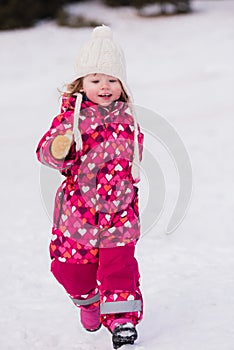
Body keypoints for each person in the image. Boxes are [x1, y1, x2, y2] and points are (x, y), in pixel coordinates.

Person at [36, 25, 144, 349]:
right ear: (82, 83)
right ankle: (87, 301)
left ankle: (122, 320)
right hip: (78, 214)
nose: (105, 86)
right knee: (70, 268)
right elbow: (46, 152)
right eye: (96, 80)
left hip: (118, 213)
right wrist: (60, 148)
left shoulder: (128, 117)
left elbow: (134, 149)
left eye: (112, 80)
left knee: (119, 267)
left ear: (122, 85)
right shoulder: (71, 118)